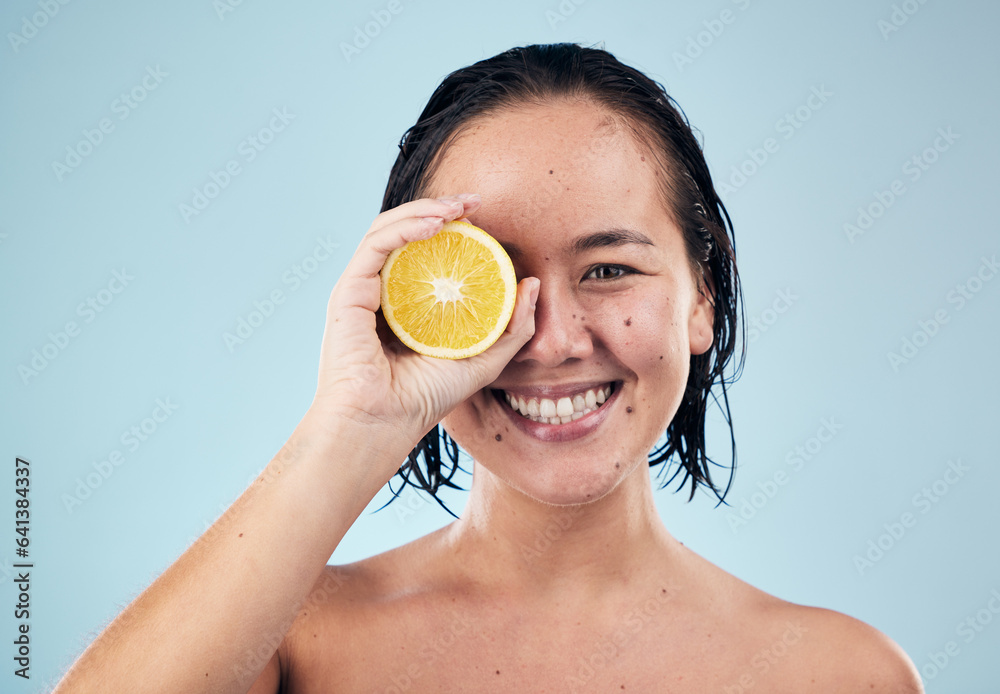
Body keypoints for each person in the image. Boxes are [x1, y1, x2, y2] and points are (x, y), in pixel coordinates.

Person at [54, 43, 923, 693]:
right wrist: (351, 426)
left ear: (703, 296)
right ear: (410, 305)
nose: (549, 341)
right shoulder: (294, 642)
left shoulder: (839, 671)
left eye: (609, 268)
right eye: (497, 276)